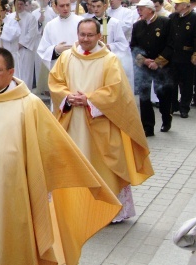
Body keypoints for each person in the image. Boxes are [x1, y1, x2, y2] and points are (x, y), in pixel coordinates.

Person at [0, 48, 121, 265]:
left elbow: (56, 147)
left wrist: (94, 185)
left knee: (11, 242)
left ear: (11, 72)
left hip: (15, 191)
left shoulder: (29, 104)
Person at [49, 18, 154, 223]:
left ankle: (107, 211)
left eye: (90, 35)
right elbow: (55, 82)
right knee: (73, 163)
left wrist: (89, 99)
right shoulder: (66, 57)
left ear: (99, 36)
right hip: (72, 121)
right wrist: (67, 96)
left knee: (104, 165)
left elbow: (116, 91)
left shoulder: (109, 60)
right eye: (82, 35)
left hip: (99, 120)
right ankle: (73, 208)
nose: (85, 39)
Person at [130, 0, 173, 135]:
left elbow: (171, 44)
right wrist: (144, 60)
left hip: (161, 65)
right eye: (138, 9)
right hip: (144, 65)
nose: (139, 11)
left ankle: (166, 119)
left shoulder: (165, 22)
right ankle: (148, 126)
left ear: (150, 9)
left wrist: (157, 62)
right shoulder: (137, 26)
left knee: (162, 94)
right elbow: (133, 46)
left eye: (141, 9)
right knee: (144, 96)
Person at [86, 0, 134, 89]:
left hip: (109, 61)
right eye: (93, 6)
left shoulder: (114, 23)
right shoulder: (87, 23)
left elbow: (122, 44)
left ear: (105, 6)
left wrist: (110, 46)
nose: (95, 9)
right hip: (92, 60)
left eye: (98, 6)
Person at [168, 0, 196, 118]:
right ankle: (173, 105)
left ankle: (184, 107)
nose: (175, 6)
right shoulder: (172, 17)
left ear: (185, 5)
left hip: (187, 55)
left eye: (178, 4)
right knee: (172, 83)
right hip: (173, 54)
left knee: (186, 83)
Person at [37, 0, 84, 70]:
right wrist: (55, 50)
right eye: (62, 6)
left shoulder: (81, 22)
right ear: (55, 7)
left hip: (78, 65)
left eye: (67, 5)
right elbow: (43, 50)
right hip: (58, 67)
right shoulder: (50, 25)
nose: (65, 8)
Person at [9, 0, 39, 89]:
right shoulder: (10, 17)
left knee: (26, 73)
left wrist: (21, 44)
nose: (19, 6)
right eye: (17, 4)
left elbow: (32, 33)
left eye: (21, 4)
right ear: (14, 5)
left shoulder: (31, 17)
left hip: (26, 49)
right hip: (13, 49)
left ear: (25, 5)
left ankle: (26, 91)